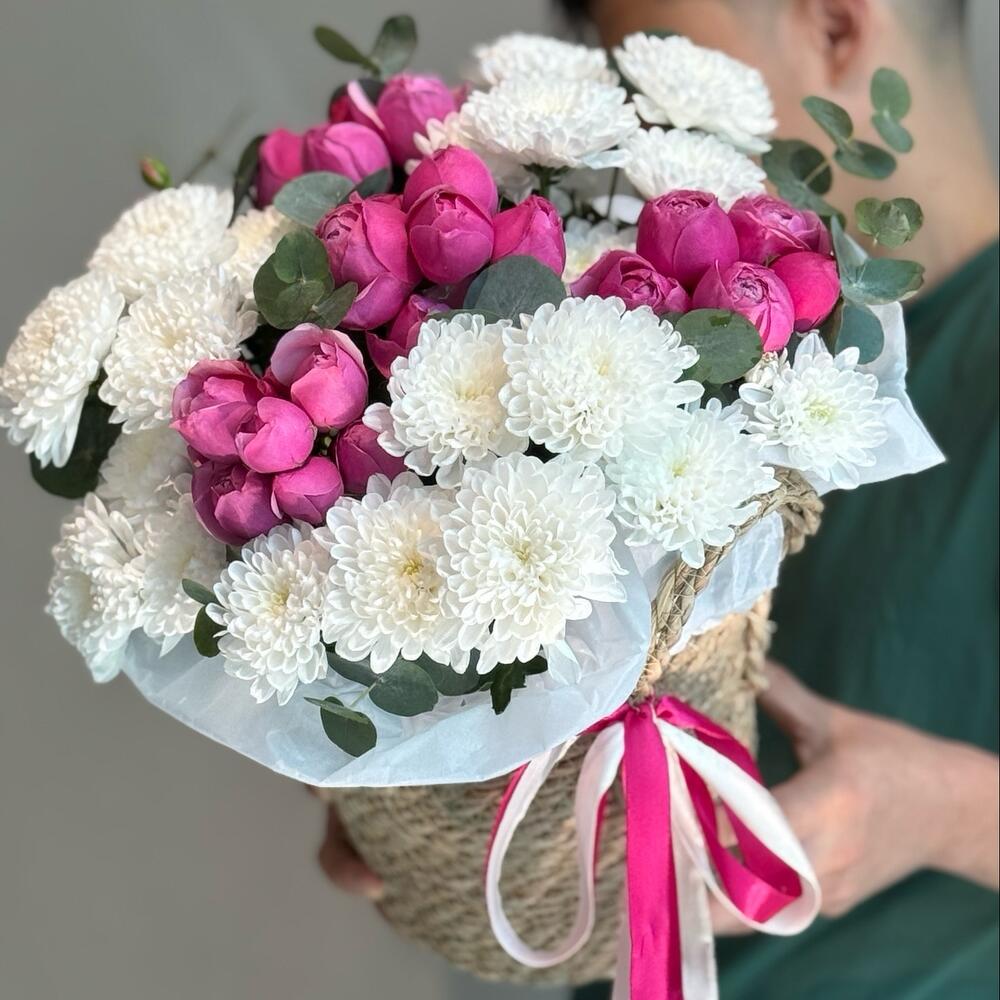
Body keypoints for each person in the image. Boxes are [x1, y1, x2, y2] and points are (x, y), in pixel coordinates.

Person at [316, 2, 1000, 996]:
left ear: (837, 28)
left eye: (663, 75)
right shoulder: (647, 339)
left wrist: (945, 812)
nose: (633, 128)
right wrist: (415, 761)